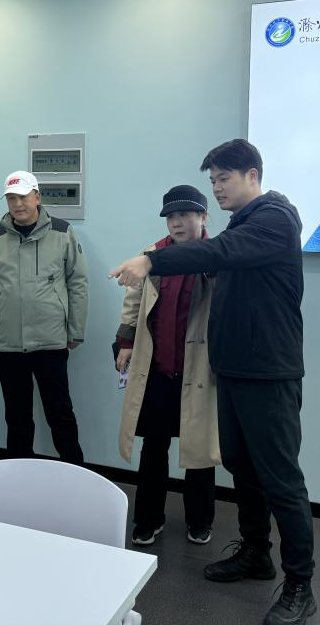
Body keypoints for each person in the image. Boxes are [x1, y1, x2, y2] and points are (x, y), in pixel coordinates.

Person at [110, 139, 315, 625]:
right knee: (243, 469)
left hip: (269, 373)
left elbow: (219, 251)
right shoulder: (242, 223)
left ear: (251, 175)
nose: (218, 188)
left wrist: (152, 260)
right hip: (235, 371)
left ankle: (301, 586)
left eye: (224, 178)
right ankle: (256, 553)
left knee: (281, 480)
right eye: (213, 180)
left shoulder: (275, 218)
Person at [116, 185, 219, 547]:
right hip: (158, 369)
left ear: (203, 217)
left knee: (199, 449)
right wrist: (126, 343)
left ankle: (200, 520)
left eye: (185, 215)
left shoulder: (216, 257)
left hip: (199, 370)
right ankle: (148, 519)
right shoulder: (152, 256)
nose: (177, 223)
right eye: (171, 217)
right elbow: (133, 302)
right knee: (154, 446)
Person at [0, 170, 88, 463]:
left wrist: (75, 330)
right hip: (9, 343)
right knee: (16, 416)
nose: (17, 204)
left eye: (23, 197)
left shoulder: (62, 233)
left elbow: (78, 283)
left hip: (51, 341)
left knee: (60, 413)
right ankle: (18, 475)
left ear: (37, 197)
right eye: (11, 198)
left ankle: (76, 473)